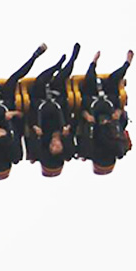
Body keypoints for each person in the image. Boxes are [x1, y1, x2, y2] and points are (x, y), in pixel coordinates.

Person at [0, 44, 47, 179]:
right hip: (7, 104)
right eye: (2, 133)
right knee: (14, 78)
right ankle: (35, 56)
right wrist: (13, 114)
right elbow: (23, 117)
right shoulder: (13, 140)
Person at [26, 43, 80, 177]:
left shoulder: (43, 136)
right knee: (61, 78)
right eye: (57, 147)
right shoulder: (66, 134)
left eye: (51, 147)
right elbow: (76, 118)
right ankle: (72, 58)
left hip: (40, 101)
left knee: (40, 82)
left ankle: (56, 66)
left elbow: (29, 118)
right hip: (58, 100)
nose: (54, 144)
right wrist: (69, 126)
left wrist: (35, 127)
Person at [78, 50, 133, 174]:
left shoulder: (90, 146)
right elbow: (123, 119)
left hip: (92, 107)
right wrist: (118, 113)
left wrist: (86, 116)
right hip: (109, 106)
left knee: (90, 81)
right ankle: (127, 64)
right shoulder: (118, 144)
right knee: (113, 80)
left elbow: (79, 123)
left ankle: (93, 63)